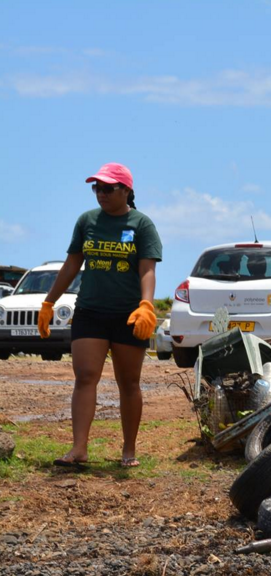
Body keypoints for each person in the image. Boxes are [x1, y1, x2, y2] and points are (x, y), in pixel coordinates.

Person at [38, 163, 162, 469]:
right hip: (90, 311)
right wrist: (48, 302)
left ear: (126, 191)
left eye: (108, 188)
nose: (101, 194)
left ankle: (128, 451)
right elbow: (71, 265)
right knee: (85, 377)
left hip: (128, 314)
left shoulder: (142, 224)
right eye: (97, 188)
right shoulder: (87, 221)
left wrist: (146, 305)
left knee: (129, 382)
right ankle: (79, 448)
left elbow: (147, 269)